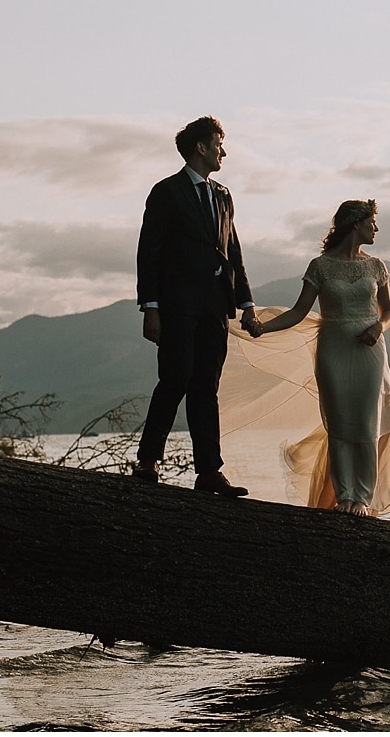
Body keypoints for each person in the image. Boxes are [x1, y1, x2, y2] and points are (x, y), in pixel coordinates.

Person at [244, 197, 390, 515]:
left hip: (370, 351)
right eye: (372, 222)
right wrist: (264, 327)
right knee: (340, 424)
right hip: (332, 347)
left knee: (366, 423)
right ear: (355, 224)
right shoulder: (320, 266)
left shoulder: (377, 266)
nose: (376, 228)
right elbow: (299, 312)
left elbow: (389, 313)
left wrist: (378, 328)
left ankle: (362, 496)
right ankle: (343, 495)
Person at [134, 115, 258, 495]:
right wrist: (151, 308)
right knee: (175, 379)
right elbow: (148, 252)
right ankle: (148, 461)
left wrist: (247, 303)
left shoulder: (223, 195)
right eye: (219, 143)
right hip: (176, 306)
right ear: (200, 147)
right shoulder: (166, 192)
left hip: (215, 308)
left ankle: (208, 472)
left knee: (207, 385)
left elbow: (232, 251)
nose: (224, 150)